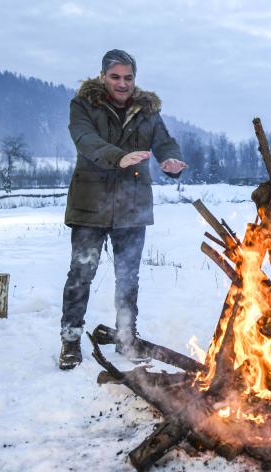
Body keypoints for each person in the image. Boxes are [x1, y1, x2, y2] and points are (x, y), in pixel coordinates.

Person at [59, 49, 187, 370]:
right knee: (81, 274)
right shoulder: (83, 105)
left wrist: (170, 161)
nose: (122, 83)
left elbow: (164, 141)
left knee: (128, 278)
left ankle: (127, 338)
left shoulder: (147, 110)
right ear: (103, 76)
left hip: (132, 206)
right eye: (115, 77)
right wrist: (117, 156)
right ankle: (70, 340)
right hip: (90, 204)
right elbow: (85, 139)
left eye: (128, 77)